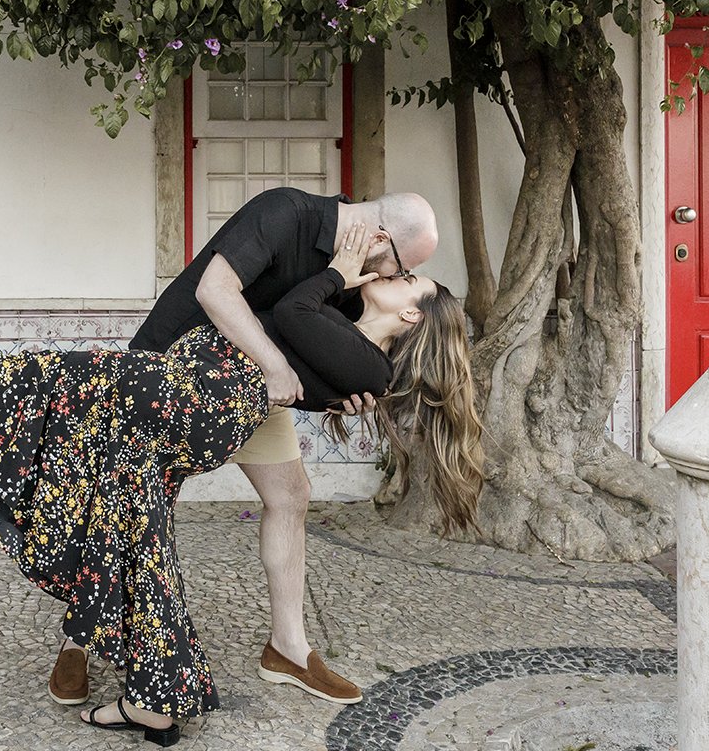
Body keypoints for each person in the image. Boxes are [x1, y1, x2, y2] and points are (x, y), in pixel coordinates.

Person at [0, 222, 485, 746]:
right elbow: (293, 343)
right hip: (190, 388)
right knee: (133, 528)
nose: (390, 275)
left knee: (51, 379)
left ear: (413, 316)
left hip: (193, 400)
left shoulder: (366, 359)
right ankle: (158, 695)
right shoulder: (351, 342)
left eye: (406, 283)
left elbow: (295, 316)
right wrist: (339, 294)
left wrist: (336, 270)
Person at [49, 188, 443, 711]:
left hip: (254, 390)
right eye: (398, 266)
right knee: (131, 507)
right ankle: (77, 641)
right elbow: (216, 290)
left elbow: (327, 342)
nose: (392, 277)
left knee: (291, 495)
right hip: (178, 373)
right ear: (380, 238)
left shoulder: (357, 276)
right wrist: (276, 365)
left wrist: (341, 398)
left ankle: (289, 648)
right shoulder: (285, 212)